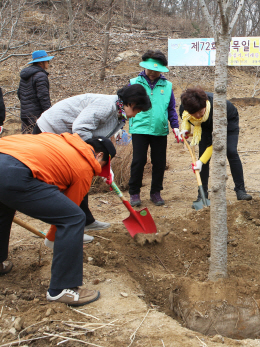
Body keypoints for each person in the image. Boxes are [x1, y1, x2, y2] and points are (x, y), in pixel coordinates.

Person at [0, 133, 116, 305]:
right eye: (103, 164)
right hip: (14, 174)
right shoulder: (85, 166)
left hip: (6, 155)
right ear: (99, 156)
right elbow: (70, 208)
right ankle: (62, 289)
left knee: (3, 206)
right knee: (75, 218)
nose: (98, 169)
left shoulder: (61, 140)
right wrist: (53, 239)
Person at [33, 85, 151, 236]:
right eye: (137, 110)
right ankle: (67, 228)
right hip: (51, 131)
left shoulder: (119, 115)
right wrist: (92, 157)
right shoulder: (107, 106)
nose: (136, 115)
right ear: (131, 103)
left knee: (83, 176)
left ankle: (86, 221)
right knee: (70, 178)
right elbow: (80, 128)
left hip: (69, 137)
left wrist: (106, 167)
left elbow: (102, 140)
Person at [179, 88, 252, 207]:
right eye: (194, 113)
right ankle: (201, 195)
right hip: (204, 126)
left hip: (227, 121)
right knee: (203, 155)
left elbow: (217, 142)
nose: (197, 115)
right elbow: (186, 119)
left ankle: (240, 190)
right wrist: (185, 130)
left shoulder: (218, 107)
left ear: (205, 105)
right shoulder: (185, 108)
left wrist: (201, 162)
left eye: (200, 111)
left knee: (231, 151)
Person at [128, 50, 180, 207]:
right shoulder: (134, 83)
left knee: (159, 162)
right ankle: (134, 192)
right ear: (144, 67)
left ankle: (156, 192)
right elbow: (124, 105)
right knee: (139, 160)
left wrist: (175, 126)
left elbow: (171, 109)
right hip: (139, 128)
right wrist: (119, 123)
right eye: (150, 69)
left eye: (156, 70)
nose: (152, 73)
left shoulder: (167, 86)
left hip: (159, 129)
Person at [17, 50, 54, 133]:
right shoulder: (41, 75)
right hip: (37, 116)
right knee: (38, 142)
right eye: (47, 61)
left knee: (26, 140)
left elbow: (19, 93)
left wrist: (26, 106)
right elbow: (43, 97)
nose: (48, 63)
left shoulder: (25, 75)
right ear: (41, 63)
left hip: (25, 114)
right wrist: (49, 114)